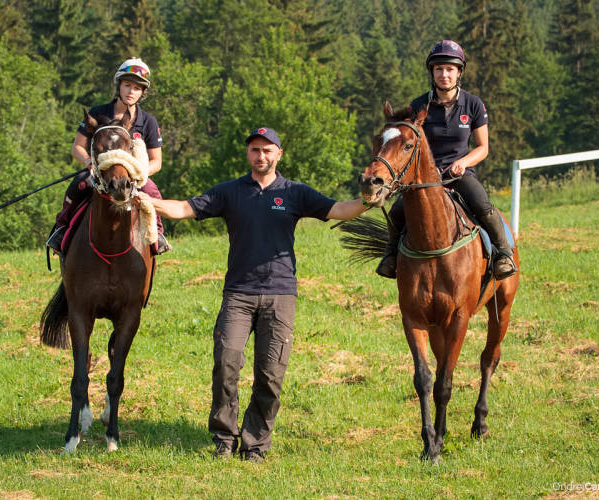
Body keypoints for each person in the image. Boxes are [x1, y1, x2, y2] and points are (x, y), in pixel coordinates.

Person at [138, 127, 367, 462]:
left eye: (267, 150)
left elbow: (339, 210)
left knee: (271, 374)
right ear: (248, 154)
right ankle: (224, 437)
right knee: (226, 362)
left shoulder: (295, 193)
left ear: (279, 154)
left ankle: (256, 444)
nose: (261, 156)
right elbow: (185, 208)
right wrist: (151, 202)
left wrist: (370, 201)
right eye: (255, 150)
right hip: (239, 295)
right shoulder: (230, 192)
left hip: (280, 294)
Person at [375, 40, 517, 280]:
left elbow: (483, 148)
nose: (444, 75)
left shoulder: (473, 104)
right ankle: (390, 256)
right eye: (439, 69)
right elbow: (404, 138)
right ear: (432, 72)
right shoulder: (418, 105)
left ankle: (503, 254)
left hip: (459, 175)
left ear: (459, 72)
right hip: (424, 178)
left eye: (450, 69)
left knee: (482, 205)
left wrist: (464, 162)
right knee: (398, 210)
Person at [46, 57, 171, 255]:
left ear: (143, 92)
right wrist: (89, 163)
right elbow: (77, 147)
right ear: (118, 86)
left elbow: (157, 161)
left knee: (152, 191)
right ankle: (61, 230)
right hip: (100, 173)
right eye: (127, 85)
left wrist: (140, 174)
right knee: (77, 185)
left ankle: (157, 233)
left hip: (133, 178)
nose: (131, 92)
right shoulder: (97, 113)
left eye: (137, 88)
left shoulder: (148, 121)